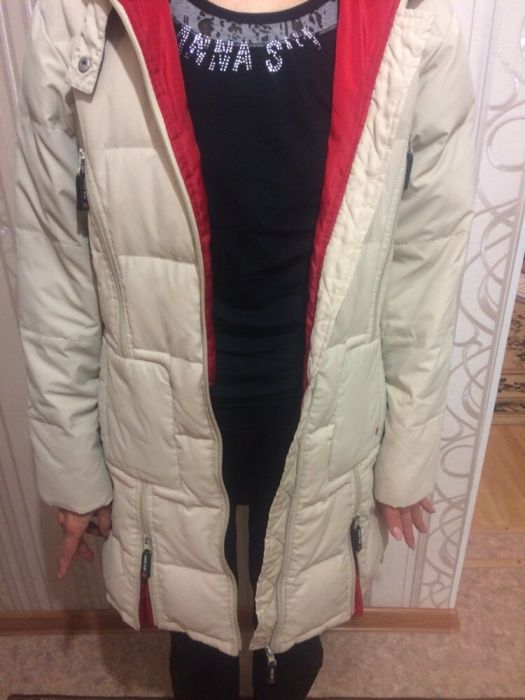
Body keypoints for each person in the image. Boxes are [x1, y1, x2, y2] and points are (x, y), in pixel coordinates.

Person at [13, 0, 476, 698]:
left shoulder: (413, 19)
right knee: (193, 631)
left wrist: (407, 451)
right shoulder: (81, 18)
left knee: (297, 628)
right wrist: (74, 463)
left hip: (327, 402)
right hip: (158, 405)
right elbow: (54, 259)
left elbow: (427, 259)